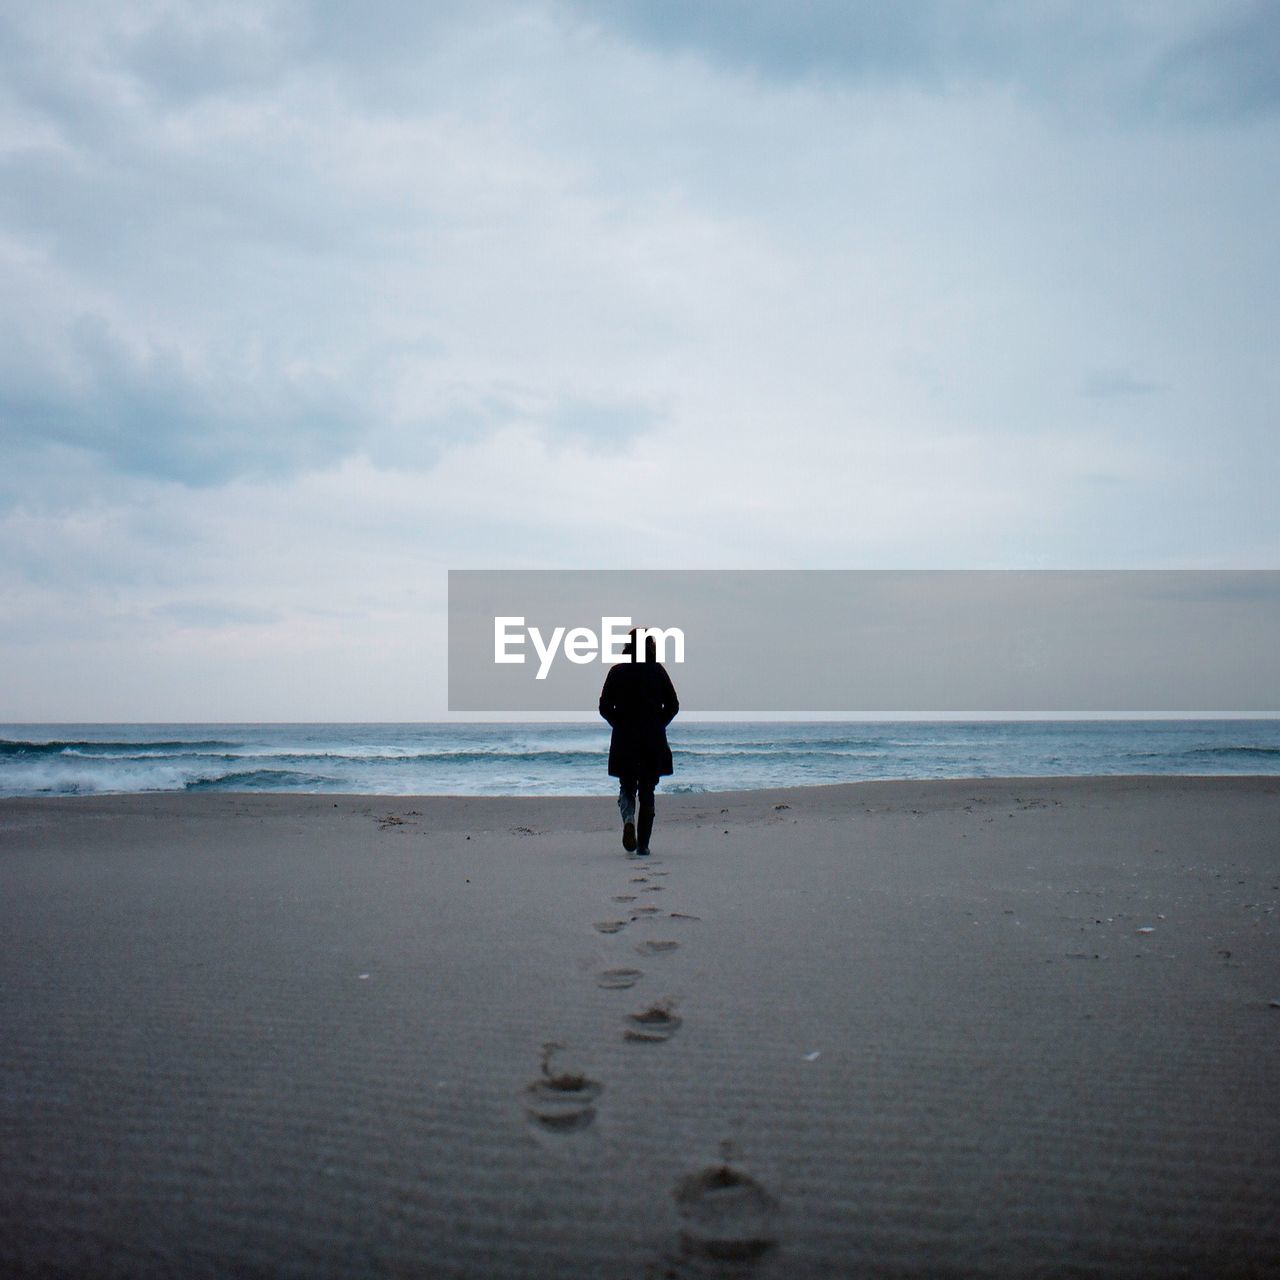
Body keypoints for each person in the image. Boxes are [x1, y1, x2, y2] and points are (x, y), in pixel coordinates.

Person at [598, 627, 679, 857]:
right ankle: (643, 845)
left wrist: (619, 724)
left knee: (626, 787)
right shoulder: (657, 672)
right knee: (647, 791)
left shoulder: (617, 672)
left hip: (625, 740)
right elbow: (673, 705)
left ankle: (628, 820)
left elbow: (604, 707)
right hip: (652, 740)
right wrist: (658, 723)